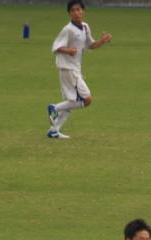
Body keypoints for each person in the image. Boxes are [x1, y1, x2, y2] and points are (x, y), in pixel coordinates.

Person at [46, 0, 112, 139]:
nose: (76, 12)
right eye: (73, 10)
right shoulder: (68, 29)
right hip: (68, 68)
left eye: (78, 9)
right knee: (87, 100)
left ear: (83, 11)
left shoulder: (85, 27)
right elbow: (56, 47)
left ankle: (54, 131)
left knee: (70, 102)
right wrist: (69, 50)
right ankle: (54, 108)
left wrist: (102, 41)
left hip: (74, 68)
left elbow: (90, 45)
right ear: (69, 14)